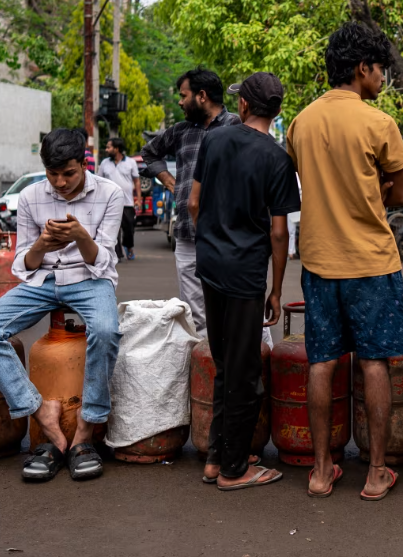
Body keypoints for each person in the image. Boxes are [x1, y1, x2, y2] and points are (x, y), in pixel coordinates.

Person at [287, 21, 403, 501]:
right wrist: (374, 186)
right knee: (374, 363)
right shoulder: (378, 122)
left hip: (319, 260)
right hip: (372, 262)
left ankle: (321, 471)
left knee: (321, 362)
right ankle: (376, 472)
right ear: (363, 68)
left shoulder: (301, 121)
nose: (381, 79)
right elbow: (399, 194)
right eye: (379, 70)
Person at [190, 72, 299, 491]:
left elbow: (195, 202)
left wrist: (211, 240)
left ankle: (218, 458)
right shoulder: (277, 159)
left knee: (225, 366)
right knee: (245, 372)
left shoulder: (214, 140)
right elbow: (278, 233)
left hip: (211, 267)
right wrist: (276, 288)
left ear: (244, 106)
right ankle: (235, 468)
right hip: (246, 274)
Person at [0, 129, 122, 481]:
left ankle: (87, 428)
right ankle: (41, 413)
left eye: (68, 173)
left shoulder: (110, 194)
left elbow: (102, 264)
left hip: (88, 279)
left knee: (106, 329)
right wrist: (42, 244)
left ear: (83, 163)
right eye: (53, 174)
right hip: (43, 282)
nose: (60, 182)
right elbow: (24, 265)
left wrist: (82, 236)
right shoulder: (30, 196)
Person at [142, 68, 242, 337]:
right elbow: (150, 153)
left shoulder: (237, 126)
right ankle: (206, 369)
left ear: (201, 96)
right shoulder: (180, 131)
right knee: (196, 311)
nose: (179, 101)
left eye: (183, 95)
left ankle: (243, 364)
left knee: (237, 303)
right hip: (187, 234)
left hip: (227, 233)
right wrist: (171, 183)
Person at [97, 137, 140, 261]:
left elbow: (137, 182)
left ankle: (129, 246)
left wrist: (138, 199)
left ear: (117, 149)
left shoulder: (131, 162)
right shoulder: (105, 163)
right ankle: (117, 255)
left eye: (109, 147)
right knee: (113, 230)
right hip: (109, 202)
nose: (106, 149)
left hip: (127, 202)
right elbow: (99, 181)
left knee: (129, 229)